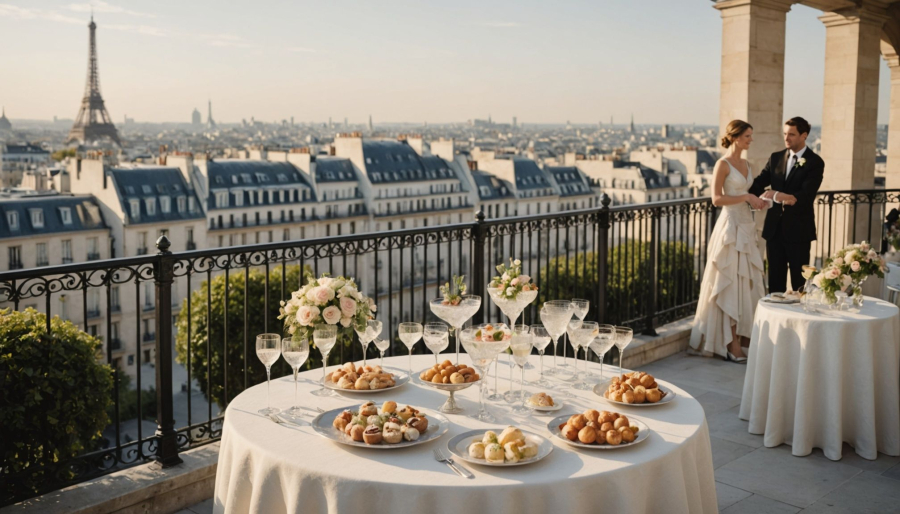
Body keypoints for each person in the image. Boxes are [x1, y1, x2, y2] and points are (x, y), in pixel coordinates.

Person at [690, 120, 767, 363]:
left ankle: (745, 339)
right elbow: (716, 199)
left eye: (751, 136)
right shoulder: (722, 164)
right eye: (747, 136)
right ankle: (730, 343)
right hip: (730, 227)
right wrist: (745, 196)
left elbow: (749, 194)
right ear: (735, 138)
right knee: (730, 283)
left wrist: (759, 200)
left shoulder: (747, 164)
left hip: (746, 226)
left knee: (747, 284)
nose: (750, 140)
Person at [748, 117, 825, 293]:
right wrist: (739, 190)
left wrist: (776, 195)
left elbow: (805, 196)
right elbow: (759, 183)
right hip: (774, 230)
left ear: (804, 135)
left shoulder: (815, 162)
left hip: (799, 231)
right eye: (785, 133)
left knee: (800, 284)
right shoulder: (776, 158)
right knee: (775, 282)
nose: (786, 138)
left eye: (791, 134)